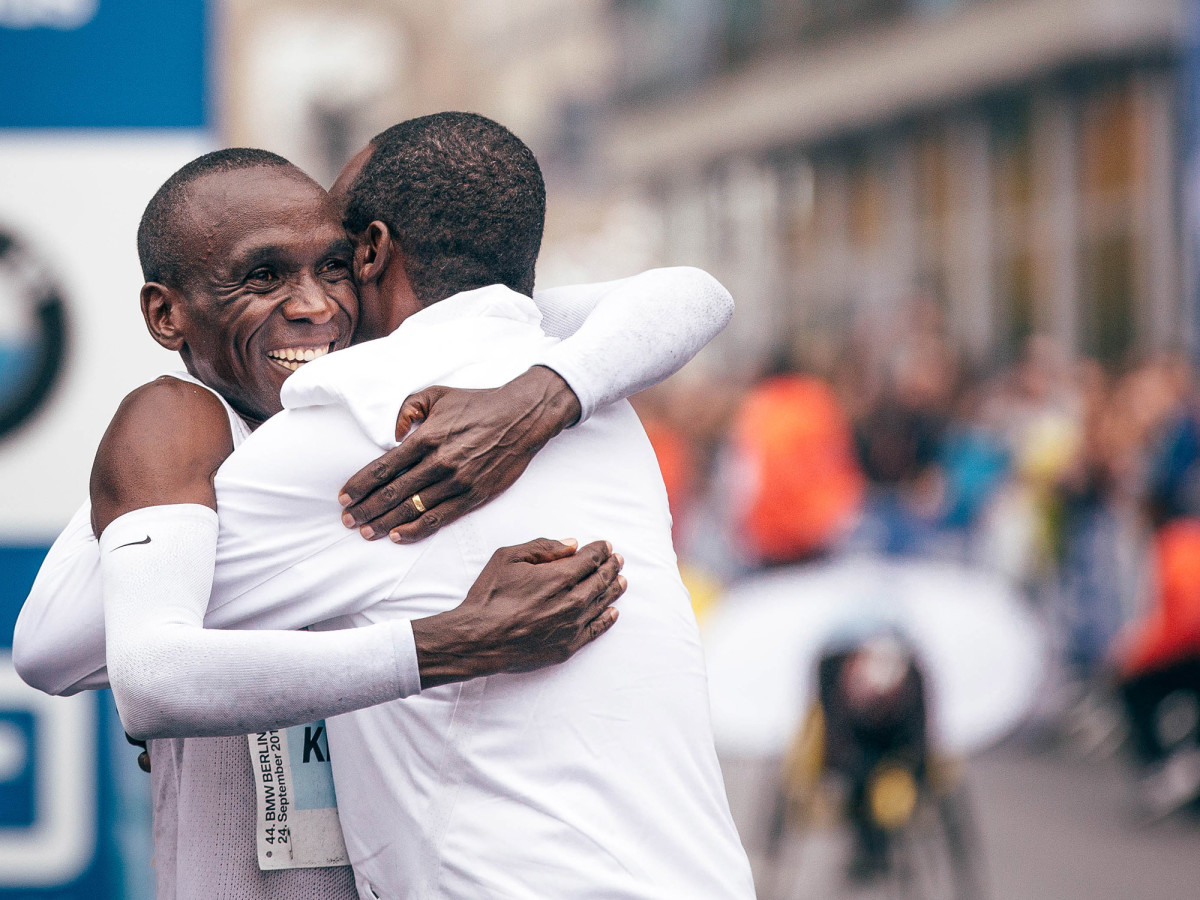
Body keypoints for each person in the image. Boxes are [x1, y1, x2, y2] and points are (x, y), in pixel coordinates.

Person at [15, 142, 737, 896]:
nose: (317, 305)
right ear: (167, 314)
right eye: (263, 276)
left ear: (372, 259)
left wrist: (546, 393)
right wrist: (455, 643)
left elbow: (690, 294)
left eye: (335, 266)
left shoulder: (417, 397)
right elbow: (70, 652)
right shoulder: (185, 430)